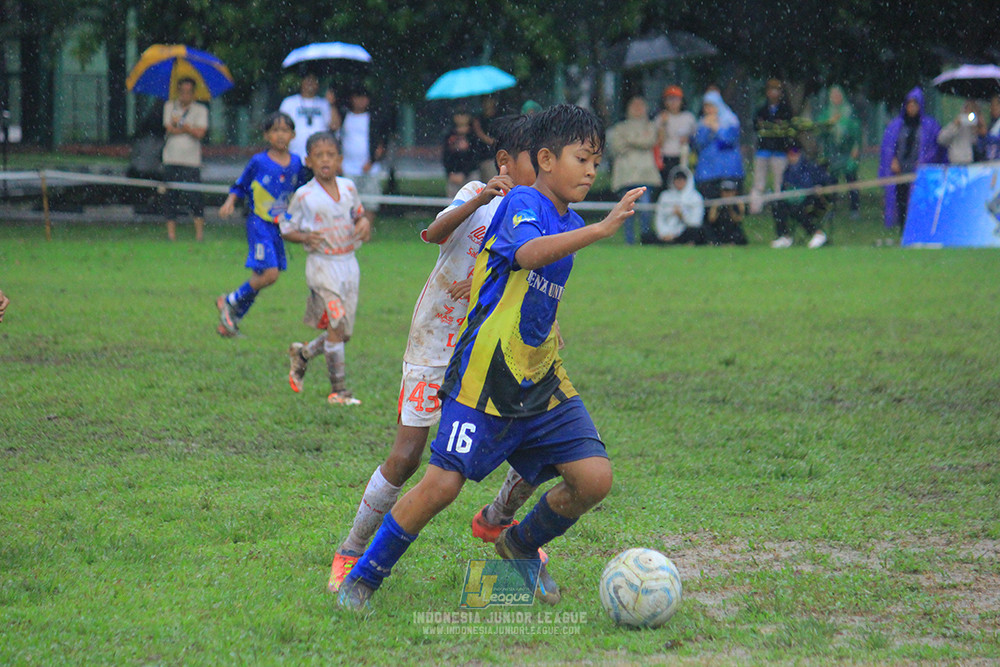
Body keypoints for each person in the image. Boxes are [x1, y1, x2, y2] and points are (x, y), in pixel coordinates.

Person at [337, 104, 646, 610]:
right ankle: (364, 575)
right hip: (483, 377)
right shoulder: (522, 201)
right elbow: (526, 254)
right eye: (581, 158)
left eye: (596, 161)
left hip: (541, 379)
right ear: (545, 159)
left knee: (594, 478)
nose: (592, 170)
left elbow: (530, 286)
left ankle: (519, 544)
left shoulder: (569, 218)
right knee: (440, 486)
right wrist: (602, 230)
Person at [326, 115, 545, 593]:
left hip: (490, 346)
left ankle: (499, 520)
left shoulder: (538, 213)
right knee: (407, 455)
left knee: (534, 439)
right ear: (506, 162)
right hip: (436, 341)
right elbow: (434, 232)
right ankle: (351, 548)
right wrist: (483, 198)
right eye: (538, 158)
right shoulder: (476, 195)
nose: (546, 167)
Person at [281, 132, 370, 405]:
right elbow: (286, 227)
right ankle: (339, 391)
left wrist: (363, 223)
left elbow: (359, 214)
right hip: (322, 266)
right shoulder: (304, 196)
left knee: (342, 334)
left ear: (340, 160)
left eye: (330, 155)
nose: (325, 160)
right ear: (309, 161)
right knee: (336, 323)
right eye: (318, 156)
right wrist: (305, 237)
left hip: (349, 264)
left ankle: (304, 354)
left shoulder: (349, 188)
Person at [215, 112, 305, 337]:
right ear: (267, 135)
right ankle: (228, 300)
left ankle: (231, 321)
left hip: (279, 227)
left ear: (293, 135)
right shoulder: (259, 161)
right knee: (270, 274)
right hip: (259, 224)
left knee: (261, 278)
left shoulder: (296, 163)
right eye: (275, 130)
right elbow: (241, 184)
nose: (280, 135)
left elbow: (303, 191)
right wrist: (230, 201)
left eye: (285, 130)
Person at [879, 87, 943, 232]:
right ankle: (903, 229)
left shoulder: (929, 126)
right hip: (900, 171)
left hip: (918, 173)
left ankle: (918, 230)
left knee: (917, 201)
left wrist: (923, 162)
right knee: (901, 200)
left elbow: (935, 148)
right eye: (909, 104)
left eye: (915, 104)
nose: (911, 108)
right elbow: (889, 147)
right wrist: (892, 160)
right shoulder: (897, 126)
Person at [607, 96, 660, 244]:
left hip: (646, 175)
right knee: (626, 211)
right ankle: (629, 240)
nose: (637, 109)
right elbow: (616, 146)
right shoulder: (619, 127)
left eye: (640, 105)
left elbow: (649, 141)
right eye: (634, 105)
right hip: (626, 175)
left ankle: (645, 238)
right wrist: (638, 141)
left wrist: (629, 141)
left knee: (645, 209)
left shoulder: (650, 126)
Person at [162, 77, 208, 242]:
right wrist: (188, 128)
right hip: (171, 159)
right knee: (170, 197)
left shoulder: (200, 110)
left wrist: (182, 125)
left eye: (189, 92)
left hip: (191, 161)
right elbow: (169, 128)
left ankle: (199, 234)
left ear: (193, 93)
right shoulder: (169, 106)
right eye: (182, 91)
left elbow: (200, 133)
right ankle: (171, 235)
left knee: (194, 197)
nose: (185, 95)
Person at [771, 144, 831, 249]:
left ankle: (817, 233)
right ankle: (784, 236)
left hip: (811, 200)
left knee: (797, 210)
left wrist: (819, 187)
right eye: (789, 153)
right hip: (793, 199)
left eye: (794, 153)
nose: (792, 156)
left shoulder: (810, 167)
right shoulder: (788, 170)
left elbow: (824, 180)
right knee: (778, 205)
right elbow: (784, 187)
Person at [750, 79, 796, 214]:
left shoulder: (785, 110)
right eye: (771, 89)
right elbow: (756, 126)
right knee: (759, 182)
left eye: (776, 90)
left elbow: (789, 130)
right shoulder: (762, 110)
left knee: (779, 182)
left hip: (779, 151)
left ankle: (779, 208)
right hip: (763, 150)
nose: (773, 93)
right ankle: (756, 208)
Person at [817, 85, 862, 218]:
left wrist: (856, 148)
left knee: (851, 180)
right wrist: (829, 123)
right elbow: (821, 131)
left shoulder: (849, 112)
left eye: (838, 95)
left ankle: (854, 209)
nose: (836, 98)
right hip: (832, 153)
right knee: (831, 181)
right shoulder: (826, 113)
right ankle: (830, 208)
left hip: (847, 153)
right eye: (833, 95)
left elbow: (856, 132)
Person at [341, 88, 386, 220]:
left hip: (370, 167)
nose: (360, 101)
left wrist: (371, 161)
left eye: (363, 98)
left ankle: (367, 232)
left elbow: (381, 143)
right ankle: (352, 231)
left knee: (370, 202)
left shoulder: (374, 117)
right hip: (348, 166)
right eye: (357, 97)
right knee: (349, 202)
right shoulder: (345, 116)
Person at [693, 90, 744, 201]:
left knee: (728, 207)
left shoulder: (731, 120)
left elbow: (730, 140)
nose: (708, 110)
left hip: (728, 171)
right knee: (709, 206)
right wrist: (706, 128)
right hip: (707, 172)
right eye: (706, 106)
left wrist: (717, 128)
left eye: (711, 106)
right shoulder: (702, 123)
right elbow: (699, 143)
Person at [279, 74, 334, 160]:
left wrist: (332, 104)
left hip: (319, 157)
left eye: (313, 81)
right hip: (294, 155)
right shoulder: (289, 102)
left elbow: (334, 125)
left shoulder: (324, 103)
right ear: (301, 82)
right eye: (308, 80)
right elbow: (281, 128)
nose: (310, 83)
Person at [655, 85, 697, 186]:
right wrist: (664, 124)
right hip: (667, 156)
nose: (673, 102)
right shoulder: (660, 118)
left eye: (676, 99)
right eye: (670, 99)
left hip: (684, 155)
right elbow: (659, 141)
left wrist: (689, 139)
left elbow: (695, 137)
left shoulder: (688, 117)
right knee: (668, 183)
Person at [653, 166, 705, 244]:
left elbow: (696, 222)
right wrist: (664, 233)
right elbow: (659, 218)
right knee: (646, 237)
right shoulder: (665, 196)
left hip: (684, 231)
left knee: (695, 232)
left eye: (682, 180)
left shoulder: (695, 197)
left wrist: (682, 215)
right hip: (666, 231)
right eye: (677, 180)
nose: (679, 182)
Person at [442, 109, 481, 198]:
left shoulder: (473, 135)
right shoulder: (449, 134)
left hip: (470, 174)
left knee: (473, 198)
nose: (461, 118)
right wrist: (450, 173)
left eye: (463, 115)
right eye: (458, 115)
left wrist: (464, 173)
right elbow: (446, 156)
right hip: (453, 175)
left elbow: (475, 156)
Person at [937, 99, 984, 166]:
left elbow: (980, 144)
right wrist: (955, 125)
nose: (969, 112)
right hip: (955, 162)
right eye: (967, 109)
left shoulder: (975, 127)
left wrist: (978, 127)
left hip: (971, 164)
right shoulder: (956, 125)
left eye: (973, 110)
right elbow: (941, 139)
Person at [706, 180, 748, 246]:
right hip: (719, 229)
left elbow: (738, 219)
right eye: (725, 191)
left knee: (737, 233)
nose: (727, 194)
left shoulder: (737, 203)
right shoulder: (717, 203)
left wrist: (730, 208)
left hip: (732, 229)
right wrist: (717, 207)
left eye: (730, 191)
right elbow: (711, 219)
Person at [473, 96, 500, 180]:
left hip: (491, 157)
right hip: (479, 156)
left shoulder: (497, 118)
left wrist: (483, 136)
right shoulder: (479, 119)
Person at [978, 95, 1000, 162]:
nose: (992, 108)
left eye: (995, 105)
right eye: (991, 105)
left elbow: (996, 140)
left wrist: (986, 135)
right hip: (990, 163)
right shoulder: (991, 124)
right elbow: (981, 147)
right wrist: (981, 135)